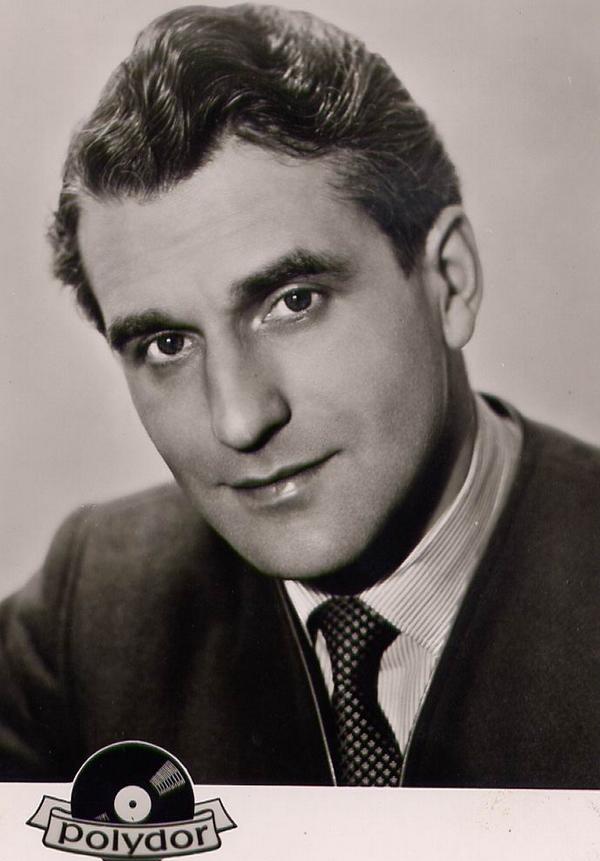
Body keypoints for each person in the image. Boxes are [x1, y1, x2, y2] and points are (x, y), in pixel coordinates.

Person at [1, 4, 598, 787]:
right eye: (167, 344)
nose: (240, 420)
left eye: (293, 303)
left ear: (450, 282)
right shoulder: (91, 612)